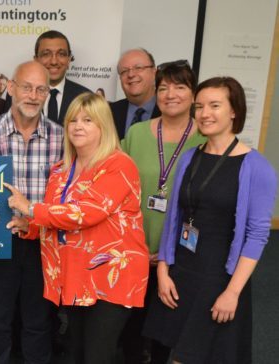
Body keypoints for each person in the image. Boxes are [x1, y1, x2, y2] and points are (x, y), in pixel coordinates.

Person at [6, 92, 149, 364]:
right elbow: (55, 219)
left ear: (103, 126)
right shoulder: (61, 170)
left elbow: (85, 213)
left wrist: (31, 208)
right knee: (74, 353)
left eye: (88, 120)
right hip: (73, 275)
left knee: (97, 355)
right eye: (72, 120)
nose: (78, 126)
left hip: (110, 277)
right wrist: (30, 225)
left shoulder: (119, 164)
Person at [143, 77, 277, 363]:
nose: (204, 113)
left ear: (234, 111)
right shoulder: (191, 156)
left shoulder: (256, 166)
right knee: (161, 353)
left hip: (218, 278)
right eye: (199, 106)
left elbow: (256, 235)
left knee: (190, 356)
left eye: (214, 105)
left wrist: (232, 292)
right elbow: (175, 218)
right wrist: (164, 270)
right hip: (180, 273)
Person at [0, 61, 64, 364]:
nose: (33, 95)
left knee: (39, 324)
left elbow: (67, 198)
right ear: (11, 87)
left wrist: (35, 219)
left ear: (47, 94)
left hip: (44, 244)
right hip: (2, 243)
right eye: (26, 87)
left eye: (41, 89)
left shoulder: (62, 139)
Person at [120, 60, 206, 364]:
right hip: (133, 245)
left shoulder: (205, 140)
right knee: (129, 325)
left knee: (166, 327)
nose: (170, 94)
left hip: (181, 250)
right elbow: (117, 185)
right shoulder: (137, 133)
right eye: (163, 87)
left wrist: (167, 254)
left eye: (180, 87)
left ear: (194, 94)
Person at [4, 30, 90, 126]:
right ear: (36, 60)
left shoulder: (86, 96)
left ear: (69, 60)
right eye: (46, 54)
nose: (54, 61)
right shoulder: (16, 94)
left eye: (61, 54)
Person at [111, 48, 162, 138]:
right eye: (124, 71)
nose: (131, 74)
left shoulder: (169, 111)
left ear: (154, 73)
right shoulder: (109, 112)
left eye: (138, 68)